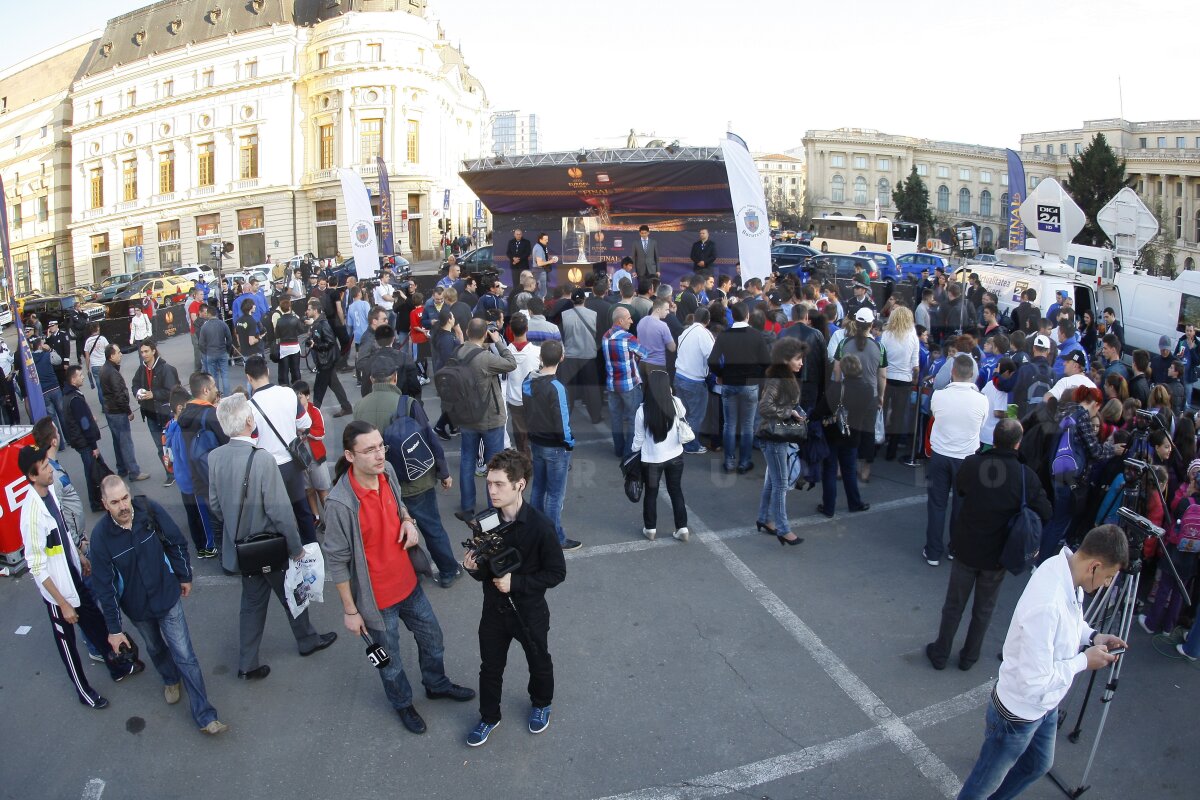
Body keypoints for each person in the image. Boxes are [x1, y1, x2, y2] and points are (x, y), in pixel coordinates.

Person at [324, 421, 475, 734]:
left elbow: (400, 505)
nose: (380, 454)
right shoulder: (339, 504)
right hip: (376, 602)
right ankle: (402, 703)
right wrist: (351, 611)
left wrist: (408, 521)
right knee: (388, 662)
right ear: (350, 456)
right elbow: (337, 561)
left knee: (433, 639)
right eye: (369, 450)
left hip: (409, 585)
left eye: (381, 446)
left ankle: (436, 684)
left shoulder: (388, 471)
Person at [957, 526, 1128, 799]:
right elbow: (1033, 682)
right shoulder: (1048, 604)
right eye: (1108, 577)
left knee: (1038, 764)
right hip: (1018, 715)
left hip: (1045, 706)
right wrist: (1083, 661)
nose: (1107, 584)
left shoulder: (1066, 571)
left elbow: (1070, 623)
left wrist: (1093, 636)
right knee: (982, 784)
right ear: (1094, 566)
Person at [207, 393, 337, 680]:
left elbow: (215, 505)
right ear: (249, 421)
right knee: (293, 591)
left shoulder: (215, 457)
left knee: (252, 603)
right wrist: (296, 547)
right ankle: (307, 640)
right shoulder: (262, 459)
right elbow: (280, 511)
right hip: (271, 543)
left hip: (243, 546)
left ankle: (247, 662)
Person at [87, 475, 227, 734]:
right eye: (115, 502)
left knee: (185, 655)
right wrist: (114, 630)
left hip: (167, 597)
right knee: (155, 647)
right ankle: (170, 678)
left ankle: (205, 715)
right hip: (138, 608)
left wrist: (184, 575)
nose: (123, 506)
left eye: (125, 498)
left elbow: (176, 542)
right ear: (105, 504)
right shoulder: (100, 538)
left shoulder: (148, 510)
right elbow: (105, 588)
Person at [18, 446, 141, 711]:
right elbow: (36, 567)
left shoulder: (50, 492)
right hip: (58, 593)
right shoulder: (31, 515)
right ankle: (84, 692)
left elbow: (62, 534)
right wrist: (62, 604)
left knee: (96, 624)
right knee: (68, 646)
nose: (50, 469)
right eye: (44, 466)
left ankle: (117, 668)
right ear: (32, 475)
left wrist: (80, 557)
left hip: (73, 576)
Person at [926, 419, 1052, 672]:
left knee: (954, 605)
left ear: (994, 438)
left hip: (967, 547)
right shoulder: (1025, 476)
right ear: (1018, 443)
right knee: (984, 609)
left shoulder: (973, 464)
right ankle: (969, 656)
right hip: (998, 554)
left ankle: (941, 653)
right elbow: (1046, 511)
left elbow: (961, 490)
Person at [464, 449, 566, 747]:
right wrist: (474, 569)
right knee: (490, 667)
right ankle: (488, 717)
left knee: (539, 660)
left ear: (519, 485)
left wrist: (516, 583)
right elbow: (486, 572)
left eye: (499, 484)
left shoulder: (541, 526)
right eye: (489, 483)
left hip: (529, 612)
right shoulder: (486, 522)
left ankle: (541, 703)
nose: (492, 490)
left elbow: (557, 573)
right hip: (494, 611)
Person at [354, 363, 462, 587]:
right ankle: (448, 571)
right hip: (416, 480)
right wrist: (443, 472)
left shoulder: (360, 407)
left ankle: (410, 571)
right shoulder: (408, 403)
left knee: (395, 531)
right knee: (432, 527)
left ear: (371, 380)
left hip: (381, 482)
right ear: (394, 378)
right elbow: (429, 439)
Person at [1039, 386, 1124, 565]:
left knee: (1056, 519)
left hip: (1057, 469)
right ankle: (1042, 561)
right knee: (1060, 522)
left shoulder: (1067, 411)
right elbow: (1095, 451)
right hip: (1070, 476)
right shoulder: (1082, 417)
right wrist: (1113, 449)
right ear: (1095, 403)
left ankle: (1037, 554)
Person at [924, 354, 989, 567]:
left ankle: (933, 551)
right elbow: (981, 424)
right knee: (961, 506)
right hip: (966, 459)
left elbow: (934, 414)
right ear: (972, 374)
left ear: (953, 372)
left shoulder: (939, 396)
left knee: (937, 504)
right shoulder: (982, 400)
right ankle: (955, 548)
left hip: (940, 456)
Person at [452, 318, 517, 519]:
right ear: (484, 334)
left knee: (467, 461)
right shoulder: (486, 358)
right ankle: (493, 507)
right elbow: (511, 363)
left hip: (466, 416)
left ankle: (467, 506)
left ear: (467, 331)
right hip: (490, 418)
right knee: (494, 464)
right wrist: (498, 341)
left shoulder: (457, 353)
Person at [523, 340, 580, 551]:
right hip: (555, 446)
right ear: (562, 358)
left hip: (536, 441)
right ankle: (555, 537)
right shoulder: (557, 387)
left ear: (540, 357)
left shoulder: (529, 381)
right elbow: (562, 422)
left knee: (538, 488)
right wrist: (569, 443)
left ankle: (535, 531)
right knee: (555, 495)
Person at [709, 302, 771, 474]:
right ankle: (744, 462)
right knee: (747, 425)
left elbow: (712, 360)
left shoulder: (724, 335)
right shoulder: (756, 335)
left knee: (729, 424)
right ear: (747, 316)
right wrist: (757, 374)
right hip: (750, 385)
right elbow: (767, 362)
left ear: (733, 316)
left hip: (729, 383)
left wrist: (721, 374)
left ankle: (729, 462)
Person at [755, 338, 806, 544]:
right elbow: (764, 407)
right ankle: (783, 529)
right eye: (797, 358)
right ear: (785, 359)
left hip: (776, 435)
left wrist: (795, 411)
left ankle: (764, 518)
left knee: (773, 482)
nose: (801, 362)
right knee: (780, 484)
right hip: (774, 437)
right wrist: (789, 412)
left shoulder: (784, 377)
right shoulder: (778, 379)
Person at [632, 369, 689, 542]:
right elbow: (683, 414)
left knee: (651, 493)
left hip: (652, 460)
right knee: (676, 491)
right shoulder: (676, 402)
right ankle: (682, 528)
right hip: (676, 456)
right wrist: (669, 394)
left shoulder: (642, 411)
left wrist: (633, 451)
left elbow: (638, 439)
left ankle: (650, 529)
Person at [814, 354, 873, 518]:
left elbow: (819, 411)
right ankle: (855, 502)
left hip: (832, 434)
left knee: (830, 471)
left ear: (844, 370)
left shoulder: (836, 388)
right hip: (853, 434)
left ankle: (829, 507)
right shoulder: (867, 389)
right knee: (850, 470)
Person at [833, 308, 887, 483]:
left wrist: (838, 388)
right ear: (871, 325)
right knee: (868, 432)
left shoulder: (844, 343)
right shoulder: (879, 347)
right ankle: (865, 470)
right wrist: (881, 396)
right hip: (870, 395)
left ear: (855, 323)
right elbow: (882, 375)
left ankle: (840, 467)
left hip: (847, 393)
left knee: (845, 429)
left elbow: (837, 369)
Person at [177, 373, 225, 559]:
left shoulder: (185, 414)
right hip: (218, 478)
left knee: (215, 523)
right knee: (227, 521)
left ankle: (223, 558)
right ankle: (233, 558)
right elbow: (227, 442)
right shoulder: (211, 415)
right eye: (213, 387)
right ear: (205, 390)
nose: (216, 390)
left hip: (199, 479)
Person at [131, 339, 180, 487]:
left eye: (146, 351)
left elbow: (173, 391)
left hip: (166, 415)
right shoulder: (141, 369)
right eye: (142, 352)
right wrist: (137, 392)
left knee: (174, 445)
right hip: (151, 416)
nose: (144, 354)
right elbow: (134, 384)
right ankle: (170, 474)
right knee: (160, 448)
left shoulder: (166, 369)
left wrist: (154, 394)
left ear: (153, 351)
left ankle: (181, 470)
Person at [603, 307, 649, 459]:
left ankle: (619, 449)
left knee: (616, 418)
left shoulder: (606, 336)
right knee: (633, 419)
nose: (632, 321)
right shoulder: (629, 338)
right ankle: (629, 452)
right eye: (629, 318)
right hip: (629, 385)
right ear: (620, 320)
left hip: (612, 384)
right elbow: (644, 353)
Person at [99, 344, 148, 482]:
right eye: (118, 352)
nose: (121, 354)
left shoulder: (105, 369)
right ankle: (134, 471)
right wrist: (128, 411)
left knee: (117, 441)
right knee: (126, 442)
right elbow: (119, 394)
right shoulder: (112, 373)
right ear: (111, 356)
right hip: (117, 412)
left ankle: (122, 468)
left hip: (110, 410)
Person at [61, 365, 104, 513]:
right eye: (80, 375)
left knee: (93, 469)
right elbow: (84, 424)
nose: (83, 377)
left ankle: (98, 498)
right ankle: (96, 502)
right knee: (92, 472)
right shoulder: (75, 399)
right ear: (73, 380)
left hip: (80, 441)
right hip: (85, 442)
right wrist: (93, 445)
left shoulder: (69, 396)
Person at [558, 287, 603, 425]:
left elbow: (562, 336)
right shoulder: (593, 314)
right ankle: (595, 416)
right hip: (588, 356)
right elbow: (598, 334)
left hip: (570, 356)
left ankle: (565, 418)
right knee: (591, 388)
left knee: (569, 389)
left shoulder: (564, 315)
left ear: (572, 300)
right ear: (585, 299)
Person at [880, 306, 919, 462]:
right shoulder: (913, 336)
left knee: (881, 412)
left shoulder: (886, 334)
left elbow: (881, 358)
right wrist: (914, 379)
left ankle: (876, 443)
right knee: (898, 416)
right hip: (905, 380)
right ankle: (892, 450)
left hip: (887, 378)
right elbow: (915, 365)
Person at [674, 307, 715, 455]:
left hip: (679, 376)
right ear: (708, 321)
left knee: (683, 413)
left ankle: (682, 441)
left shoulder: (685, 331)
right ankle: (690, 445)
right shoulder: (704, 333)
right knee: (696, 415)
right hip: (694, 380)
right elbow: (713, 356)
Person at [305, 298, 352, 417]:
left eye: (309, 309)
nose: (307, 311)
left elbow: (330, 342)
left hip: (325, 361)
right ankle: (346, 407)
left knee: (319, 389)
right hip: (324, 360)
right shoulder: (317, 323)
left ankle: (313, 414)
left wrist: (315, 345)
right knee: (335, 385)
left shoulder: (323, 324)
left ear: (315, 310)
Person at [503, 314, 540, 457]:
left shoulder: (506, 352)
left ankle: (524, 460)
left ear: (511, 330)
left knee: (520, 435)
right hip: (533, 398)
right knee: (537, 432)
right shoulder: (537, 352)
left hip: (514, 399)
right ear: (527, 329)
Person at [196, 302, 232, 396]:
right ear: (216, 313)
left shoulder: (204, 327)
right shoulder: (223, 324)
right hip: (222, 352)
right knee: (225, 375)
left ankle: (217, 396)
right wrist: (227, 350)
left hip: (210, 354)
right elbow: (229, 339)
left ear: (209, 314)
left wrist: (206, 352)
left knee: (213, 377)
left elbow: (201, 344)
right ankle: (227, 396)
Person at [273, 297, 305, 386]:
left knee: (284, 369)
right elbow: (301, 329)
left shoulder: (279, 321)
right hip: (294, 346)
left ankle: (285, 386)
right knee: (295, 368)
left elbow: (277, 335)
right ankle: (297, 385)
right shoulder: (295, 319)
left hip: (284, 347)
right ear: (290, 307)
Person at [83, 323, 110, 408]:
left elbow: (87, 357)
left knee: (100, 387)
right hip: (104, 364)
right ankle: (109, 403)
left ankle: (103, 406)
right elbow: (108, 350)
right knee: (108, 385)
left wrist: (87, 368)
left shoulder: (87, 341)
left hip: (95, 366)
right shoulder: (102, 339)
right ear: (97, 328)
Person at [530, 232, 558, 297]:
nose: (547, 241)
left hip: (540, 270)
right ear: (540, 240)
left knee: (540, 291)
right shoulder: (539, 248)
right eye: (545, 240)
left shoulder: (542, 247)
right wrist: (550, 261)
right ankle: (538, 302)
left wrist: (548, 259)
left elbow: (541, 260)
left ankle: (538, 301)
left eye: (547, 239)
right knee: (542, 292)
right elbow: (539, 263)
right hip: (539, 271)